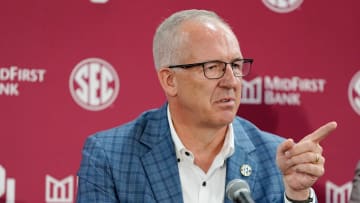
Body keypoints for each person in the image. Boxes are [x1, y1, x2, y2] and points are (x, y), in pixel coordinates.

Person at [76, 9, 337, 203]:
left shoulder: (276, 157)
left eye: (236, 66)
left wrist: (297, 195)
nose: (232, 82)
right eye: (213, 68)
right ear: (170, 80)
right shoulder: (110, 156)